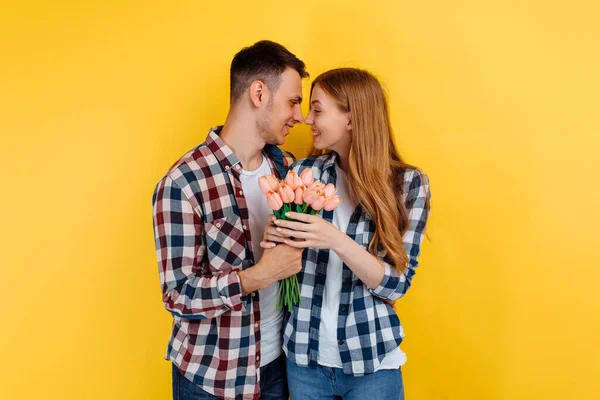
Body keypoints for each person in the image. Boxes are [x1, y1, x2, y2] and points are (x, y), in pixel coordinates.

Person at [152, 40, 309, 400]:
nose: (299, 116)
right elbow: (178, 295)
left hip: (279, 368)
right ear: (258, 93)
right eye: (293, 101)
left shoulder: (286, 167)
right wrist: (261, 274)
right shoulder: (184, 182)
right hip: (213, 378)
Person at [261, 68, 431, 400]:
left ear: (351, 118)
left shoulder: (408, 185)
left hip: (371, 365)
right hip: (304, 361)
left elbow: (396, 284)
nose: (307, 119)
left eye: (318, 109)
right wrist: (275, 237)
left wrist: (334, 238)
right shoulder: (303, 174)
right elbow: (283, 265)